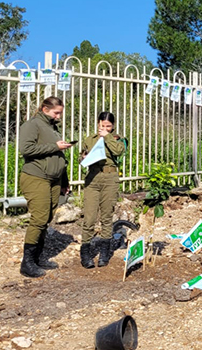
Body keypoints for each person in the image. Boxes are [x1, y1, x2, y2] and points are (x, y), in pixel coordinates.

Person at [18, 96, 74, 278]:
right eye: (56, 112)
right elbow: (26, 149)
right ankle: (27, 263)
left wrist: (64, 181)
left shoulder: (51, 127)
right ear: (45, 109)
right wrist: (54, 146)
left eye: (60, 113)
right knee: (40, 217)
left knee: (47, 216)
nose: (59, 116)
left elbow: (58, 157)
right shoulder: (32, 125)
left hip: (54, 180)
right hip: (36, 176)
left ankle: (37, 258)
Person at [79, 112, 125, 269]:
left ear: (112, 127)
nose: (104, 128)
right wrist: (83, 158)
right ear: (97, 124)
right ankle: (85, 252)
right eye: (102, 126)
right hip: (93, 178)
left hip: (109, 178)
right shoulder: (90, 139)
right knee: (89, 217)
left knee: (106, 215)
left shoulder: (117, 139)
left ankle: (105, 251)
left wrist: (107, 137)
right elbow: (82, 156)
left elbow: (119, 151)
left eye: (108, 126)